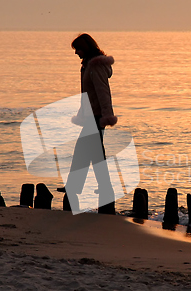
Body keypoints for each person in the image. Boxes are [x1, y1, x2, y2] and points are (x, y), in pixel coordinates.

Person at [64, 33, 117, 214]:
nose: (76, 53)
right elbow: (88, 94)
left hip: (96, 116)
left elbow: (103, 92)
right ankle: (93, 187)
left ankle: (97, 188)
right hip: (90, 115)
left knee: (88, 153)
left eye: (78, 49)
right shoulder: (87, 65)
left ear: (85, 47)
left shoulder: (96, 66)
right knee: (91, 154)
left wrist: (107, 116)